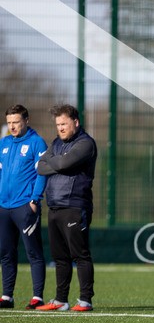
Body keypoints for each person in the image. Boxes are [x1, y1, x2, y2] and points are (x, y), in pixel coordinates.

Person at [35, 104, 97, 312]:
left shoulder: (86, 144)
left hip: (75, 205)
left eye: (64, 124)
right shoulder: (56, 143)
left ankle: (85, 300)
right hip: (54, 206)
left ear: (75, 122)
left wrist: (55, 162)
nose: (60, 128)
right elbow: (40, 167)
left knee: (80, 255)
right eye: (58, 124)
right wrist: (57, 161)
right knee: (60, 257)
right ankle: (61, 300)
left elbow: (60, 164)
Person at [0, 104, 48, 309]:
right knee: (5, 252)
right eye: (9, 122)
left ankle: (37, 297)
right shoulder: (4, 143)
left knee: (33, 252)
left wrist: (35, 199)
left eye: (16, 122)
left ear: (26, 121)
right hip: (4, 207)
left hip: (26, 206)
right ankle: (7, 296)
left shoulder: (37, 142)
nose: (12, 126)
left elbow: (42, 173)